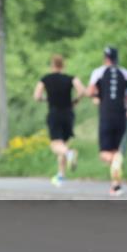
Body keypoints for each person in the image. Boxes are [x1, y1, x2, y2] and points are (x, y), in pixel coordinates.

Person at [87, 46, 127, 197]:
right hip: (121, 114)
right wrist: (124, 98)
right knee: (116, 150)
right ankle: (115, 185)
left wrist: (99, 97)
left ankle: (116, 163)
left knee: (104, 154)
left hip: (106, 114)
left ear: (105, 58)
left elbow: (90, 92)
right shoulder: (125, 72)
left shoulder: (99, 72)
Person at [34, 54, 86, 186]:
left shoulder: (46, 79)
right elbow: (81, 90)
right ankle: (61, 174)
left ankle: (69, 154)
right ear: (63, 65)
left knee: (55, 145)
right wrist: (75, 101)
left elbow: (37, 96)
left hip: (54, 113)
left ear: (52, 65)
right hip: (68, 113)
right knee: (63, 144)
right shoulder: (70, 78)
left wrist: (46, 99)